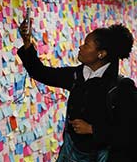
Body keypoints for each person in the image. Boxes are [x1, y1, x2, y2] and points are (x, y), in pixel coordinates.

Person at [18, 18, 136, 162]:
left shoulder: (121, 88)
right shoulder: (76, 75)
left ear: (101, 54)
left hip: (102, 156)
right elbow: (41, 73)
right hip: (71, 151)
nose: (80, 47)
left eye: (86, 44)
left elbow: (129, 132)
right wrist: (27, 42)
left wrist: (93, 129)